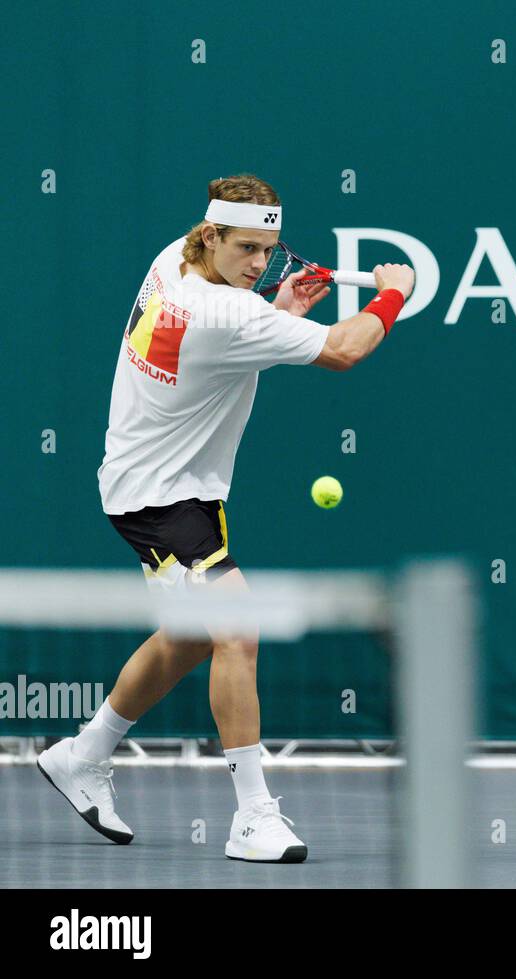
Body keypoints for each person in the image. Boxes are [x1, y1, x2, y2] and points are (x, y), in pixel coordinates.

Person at [37, 174, 415, 863]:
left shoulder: (171, 261)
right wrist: (395, 292)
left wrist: (275, 302)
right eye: (245, 249)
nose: (257, 264)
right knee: (238, 627)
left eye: (268, 251)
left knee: (191, 635)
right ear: (210, 233)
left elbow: (236, 330)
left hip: (163, 481)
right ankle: (252, 815)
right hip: (160, 496)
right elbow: (345, 348)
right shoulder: (227, 312)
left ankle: (81, 754)